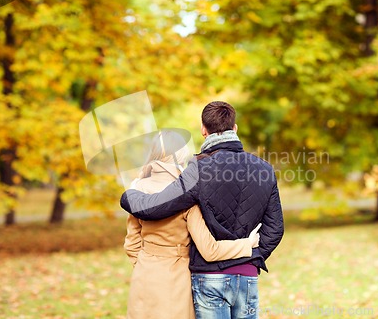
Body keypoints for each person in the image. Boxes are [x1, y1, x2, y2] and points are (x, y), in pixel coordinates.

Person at [121, 101, 284, 319]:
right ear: (235, 128)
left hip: (208, 276)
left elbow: (158, 206)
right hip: (247, 275)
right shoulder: (264, 169)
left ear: (203, 130)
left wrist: (129, 195)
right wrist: (252, 256)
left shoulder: (197, 169)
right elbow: (275, 228)